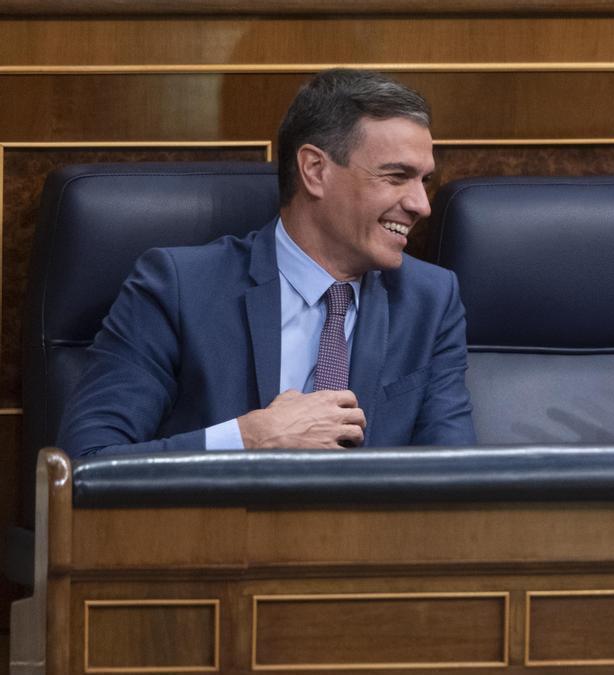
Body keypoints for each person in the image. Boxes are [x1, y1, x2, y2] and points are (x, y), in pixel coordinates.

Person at [58, 69, 475, 457]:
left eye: (425, 181)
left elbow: (457, 484)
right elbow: (89, 463)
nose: (421, 204)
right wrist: (250, 437)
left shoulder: (431, 301)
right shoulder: (179, 288)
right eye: (396, 176)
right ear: (315, 170)